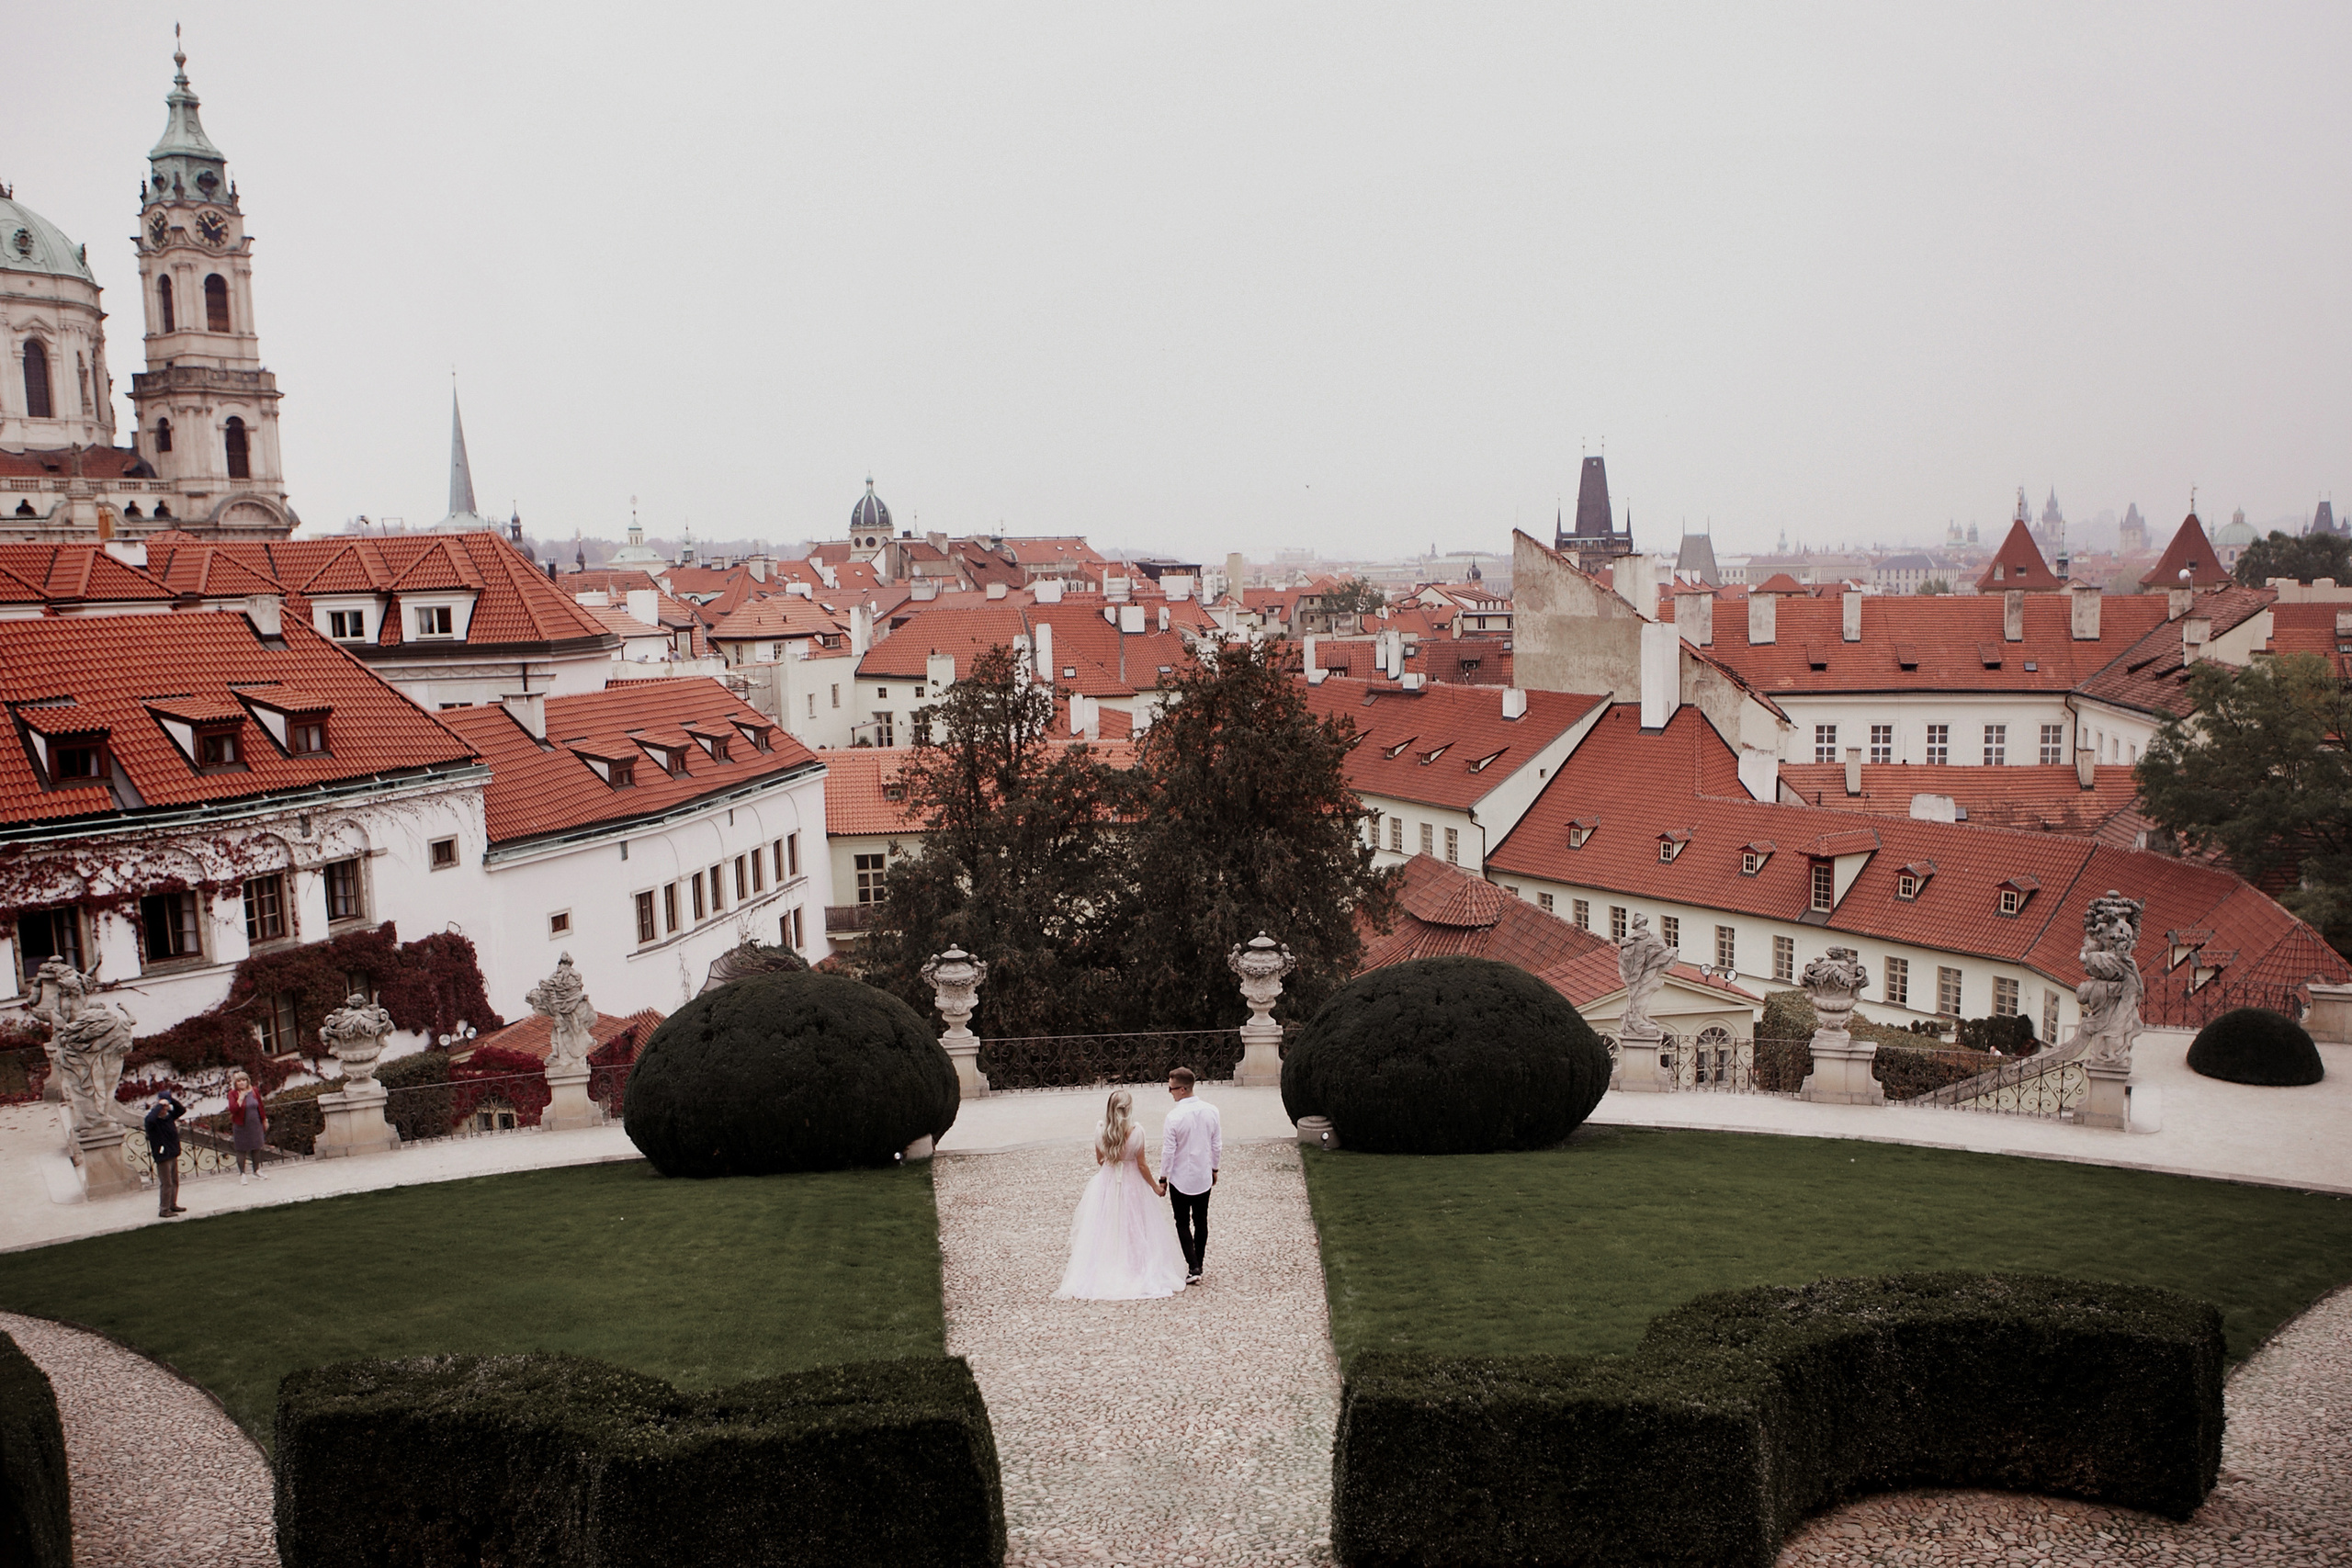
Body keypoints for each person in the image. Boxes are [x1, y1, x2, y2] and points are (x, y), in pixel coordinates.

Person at [1053, 1089, 1188, 1301]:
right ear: (1128, 1110)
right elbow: (1142, 1165)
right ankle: (1135, 1267)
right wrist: (1155, 1187)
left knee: (1106, 1224)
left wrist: (1113, 1160)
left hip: (1107, 1181)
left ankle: (1107, 1264)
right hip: (1132, 1182)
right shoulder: (1137, 1132)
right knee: (1134, 1225)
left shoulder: (1100, 1130)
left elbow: (1100, 1160)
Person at [1158, 1066, 1222, 1286]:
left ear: (1182, 1089)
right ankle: (1198, 1262)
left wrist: (1163, 1178)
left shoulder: (1174, 1117)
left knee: (1182, 1221)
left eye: (1172, 1088)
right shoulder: (1212, 1110)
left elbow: (1169, 1151)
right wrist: (1214, 1168)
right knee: (1201, 1220)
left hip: (1180, 1178)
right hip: (1203, 1174)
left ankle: (1193, 1264)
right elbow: (1216, 1144)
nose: (1170, 1092)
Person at [143, 1090, 188, 1218]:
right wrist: (159, 1106)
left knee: (174, 1181)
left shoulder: (169, 1117)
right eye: (162, 1107)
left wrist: (171, 1100)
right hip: (163, 1156)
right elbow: (151, 1119)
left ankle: (172, 1204)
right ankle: (164, 1209)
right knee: (166, 1183)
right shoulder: (152, 1120)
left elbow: (181, 1110)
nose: (165, 1109)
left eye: (166, 1106)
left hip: (172, 1153)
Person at [226, 1070, 268, 1183]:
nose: (242, 1083)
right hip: (241, 1126)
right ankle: (242, 1173)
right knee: (241, 1149)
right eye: (239, 1081)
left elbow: (260, 1106)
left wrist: (264, 1119)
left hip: (255, 1124)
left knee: (256, 1147)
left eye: (243, 1080)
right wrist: (240, 1098)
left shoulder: (254, 1090)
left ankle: (257, 1170)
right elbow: (233, 1110)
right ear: (235, 1083)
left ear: (247, 1081)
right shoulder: (233, 1094)